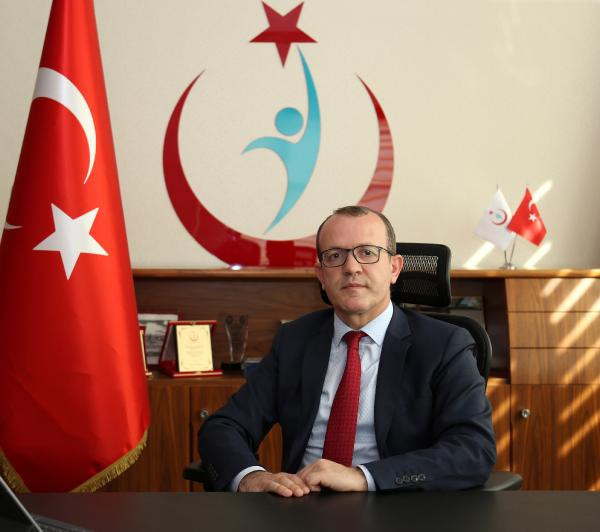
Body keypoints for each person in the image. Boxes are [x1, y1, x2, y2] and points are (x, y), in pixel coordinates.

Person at [198, 206, 496, 495]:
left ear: (394, 268)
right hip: (300, 505)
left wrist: (363, 477)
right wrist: (251, 477)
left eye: (367, 253)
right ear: (321, 275)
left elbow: (473, 451)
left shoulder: (445, 345)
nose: (351, 267)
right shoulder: (294, 340)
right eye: (335, 256)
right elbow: (224, 426)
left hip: (395, 507)